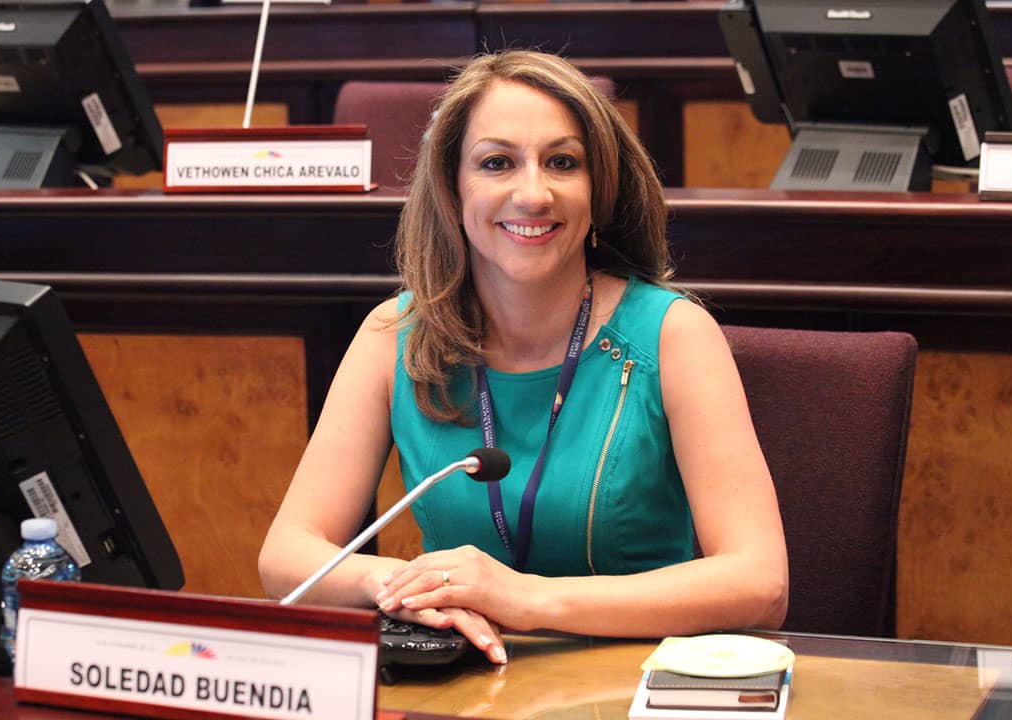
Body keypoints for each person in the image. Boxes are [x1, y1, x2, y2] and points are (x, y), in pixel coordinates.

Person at [258, 50, 788, 665]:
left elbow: (760, 582)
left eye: (562, 162)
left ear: (600, 189)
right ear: (453, 188)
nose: (533, 193)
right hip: (462, 688)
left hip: (637, 682)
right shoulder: (393, 333)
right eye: (496, 163)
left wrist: (525, 599)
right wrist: (405, 588)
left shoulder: (674, 335)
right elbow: (284, 557)